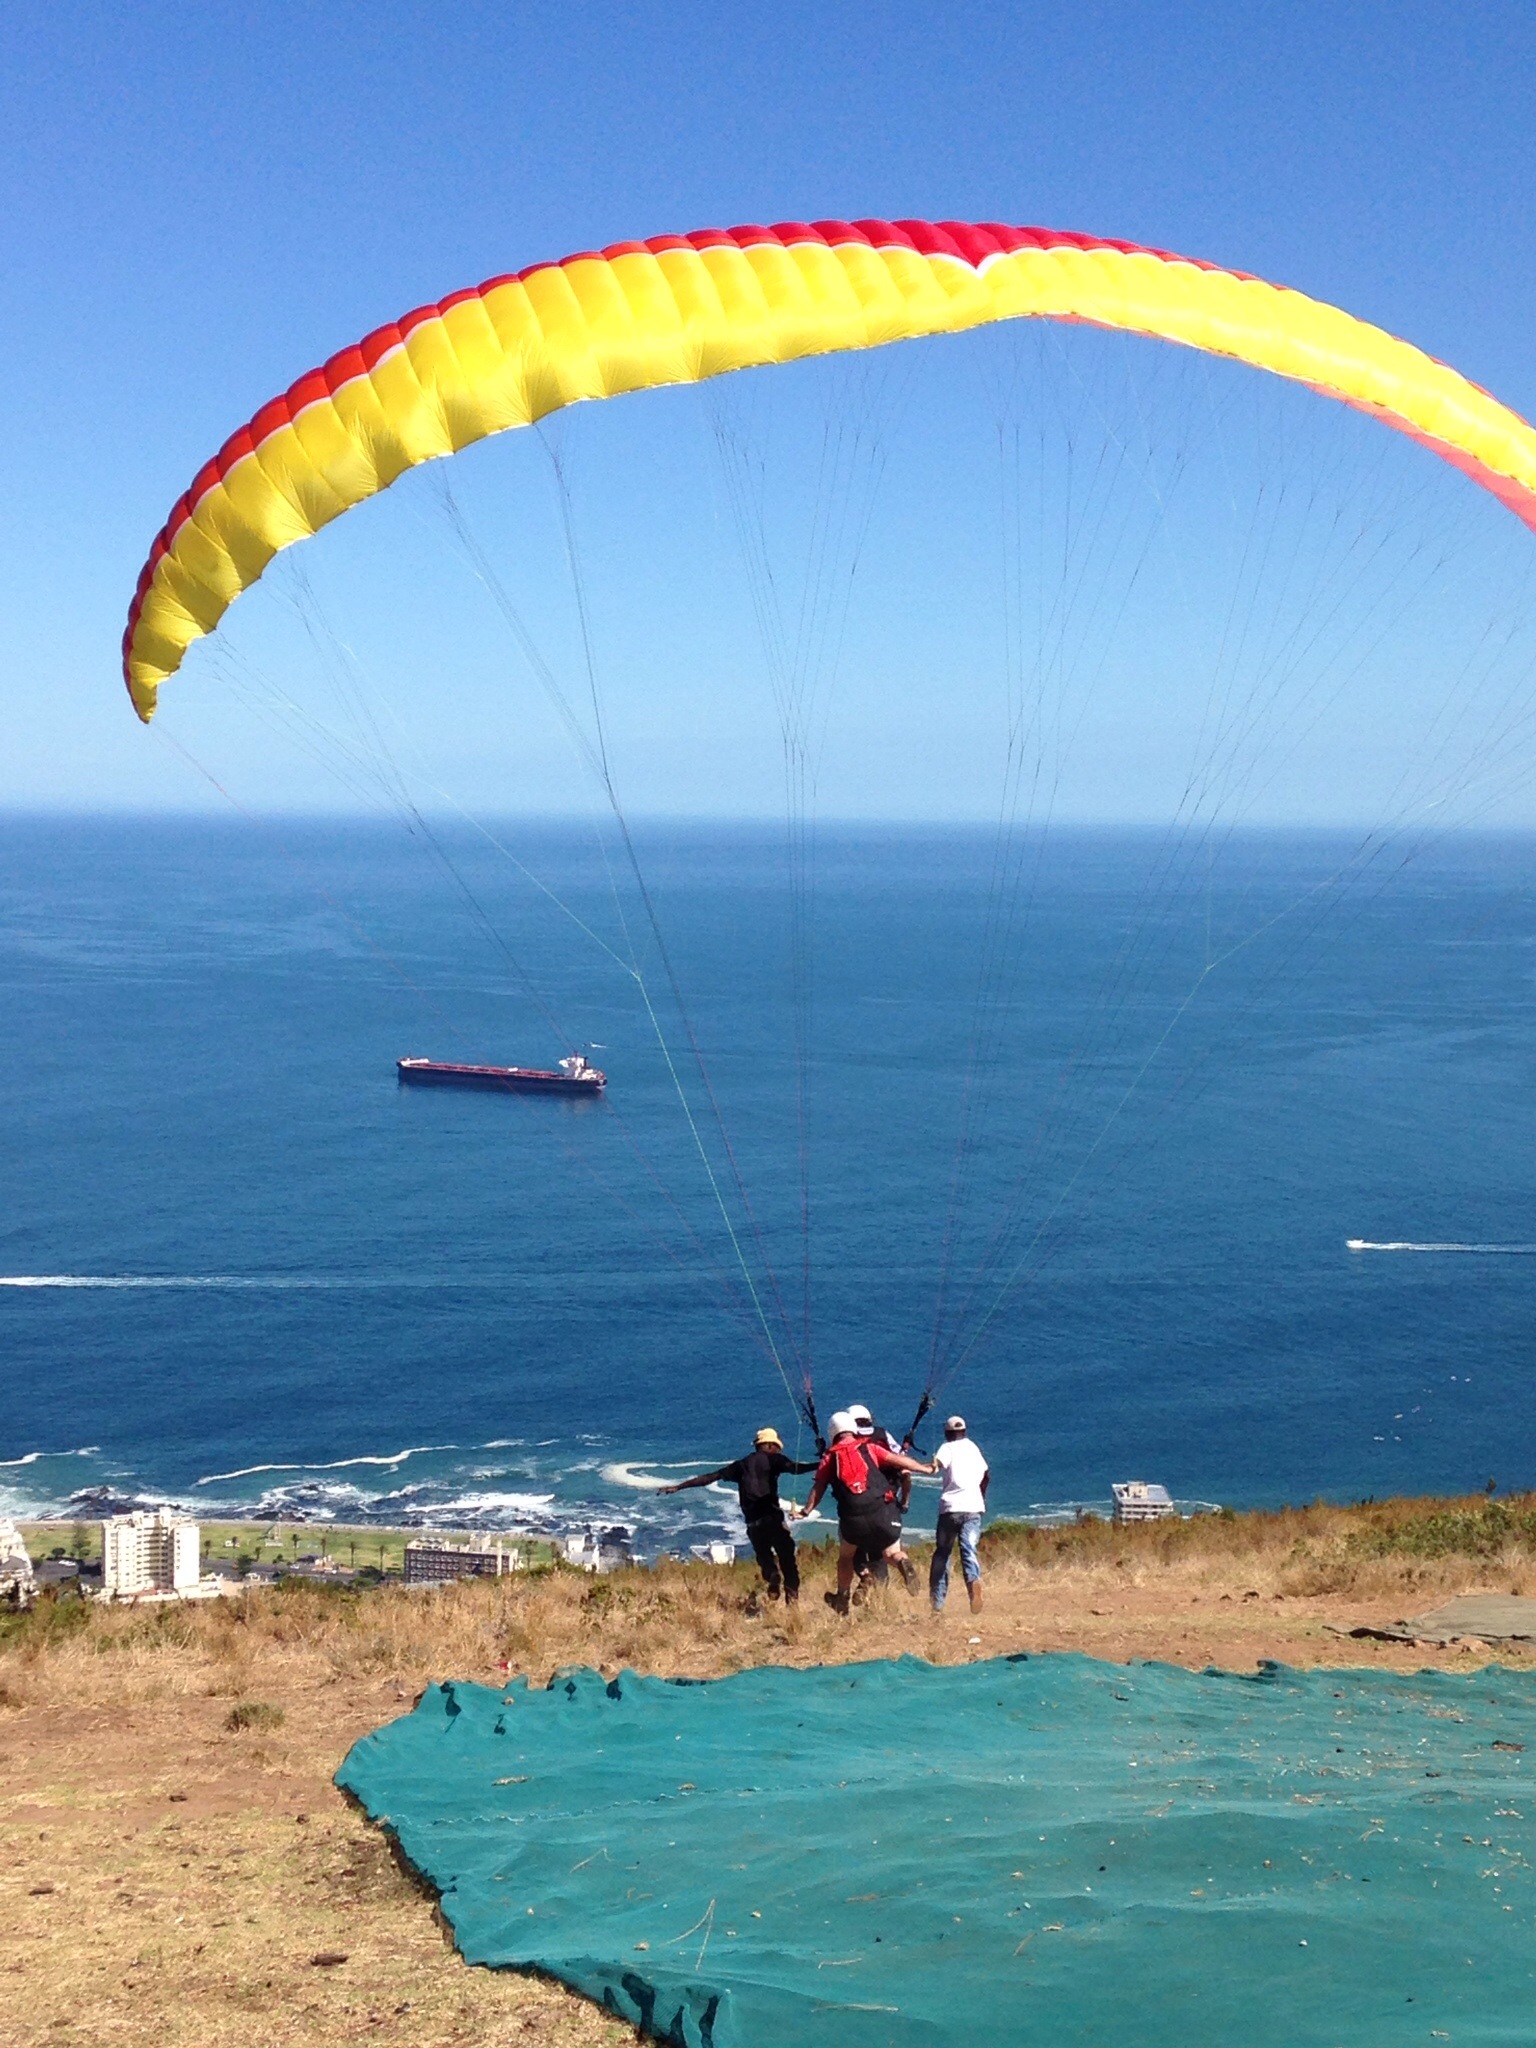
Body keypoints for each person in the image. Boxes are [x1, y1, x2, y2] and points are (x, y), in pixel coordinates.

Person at [796, 1411, 934, 1615]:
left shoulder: (829, 1456)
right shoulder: (869, 1448)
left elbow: (819, 1487)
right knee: (890, 1552)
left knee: (846, 1557)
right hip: (883, 1512)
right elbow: (899, 1460)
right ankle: (901, 1561)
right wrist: (925, 1469)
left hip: (853, 1521)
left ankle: (842, 1597)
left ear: (832, 1432)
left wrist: (806, 1511)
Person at [658, 1426, 817, 1602]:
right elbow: (795, 1468)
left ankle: (772, 1574)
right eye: (777, 1447)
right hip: (773, 1519)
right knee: (788, 1562)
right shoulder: (774, 1459)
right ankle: (792, 1606)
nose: (778, 1450)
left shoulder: (741, 1465)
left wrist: (678, 1487)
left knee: (764, 1558)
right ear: (770, 1445)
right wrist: (820, 1464)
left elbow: (710, 1477)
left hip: (754, 1524)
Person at [929, 1415, 989, 1614]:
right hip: (973, 1507)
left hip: (950, 1508)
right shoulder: (973, 1447)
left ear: (947, 1433)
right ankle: (973, 1583)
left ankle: (937, 1604)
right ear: (964, 1431)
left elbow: (935, 1467)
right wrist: (981, 1497)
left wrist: (923, 1464)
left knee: (943, 1553)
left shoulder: (947, 1448)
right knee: (969, 1549)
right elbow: (986, 1475)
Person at [846, 1403, 909, 1591]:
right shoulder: (883, 1435)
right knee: (884, 1552)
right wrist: (905, 1501)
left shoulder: (848, 1442)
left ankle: (865, 1576)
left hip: (858, 1504)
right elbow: (904, 1470)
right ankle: (882, 1591)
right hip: (888, 1503)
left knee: (850, 1551)